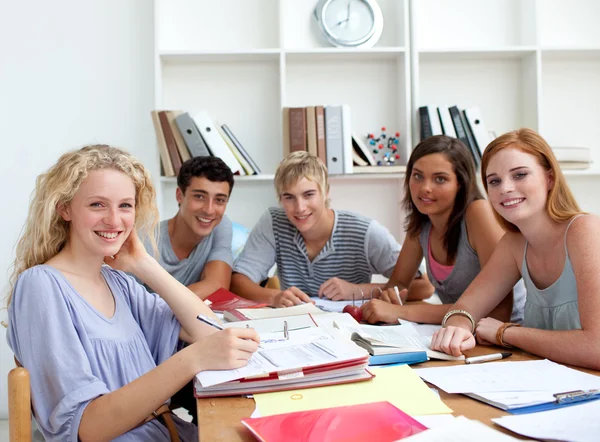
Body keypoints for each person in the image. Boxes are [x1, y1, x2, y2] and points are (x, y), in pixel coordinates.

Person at [6, 145, 259, 441]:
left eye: (125, 206)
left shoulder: (119, 283)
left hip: (168, 433)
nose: (114, 220)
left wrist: (145, 265)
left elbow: (207, 332)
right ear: (65, 208)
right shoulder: (41, 286)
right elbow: (87, 427)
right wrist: (192, 359)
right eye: (98, 205)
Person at [430, 129, 600, 371]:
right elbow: (465, 308)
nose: (505, 188)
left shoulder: (585, 230)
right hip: (553, 382)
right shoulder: (514, 243)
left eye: (519, 175)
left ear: (549, 178)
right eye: (494, 181)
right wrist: (458, 327)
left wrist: (505, 333)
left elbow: (596, 348)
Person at [231, 151, 433, 307]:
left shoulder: (363, 232)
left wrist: (358, 290)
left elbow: (424, 287)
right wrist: (275, 297)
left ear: (325, 191)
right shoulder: (273, 223)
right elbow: (239, 281)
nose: (299, 208)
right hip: (297, 329)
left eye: (308, 194)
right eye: (289, 197)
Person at [361, 135, 525, 325]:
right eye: (418, 176)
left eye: (440, 179)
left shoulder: (478, 212)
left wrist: (401, 312)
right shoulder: (423, 221)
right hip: (460, 332)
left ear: (460, 184)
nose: (425, 188)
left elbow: (496, 313)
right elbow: (398, 285)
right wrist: (390, 297)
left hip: (505, 337)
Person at [148, 156, 235, 300]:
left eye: (219, 200)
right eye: (199, 197)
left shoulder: (220, 225)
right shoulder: (147, 241)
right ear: (179, 196)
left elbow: (217, 285)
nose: (209, 210)